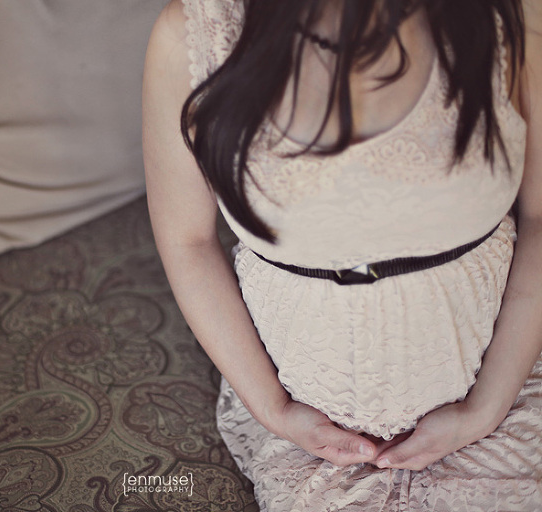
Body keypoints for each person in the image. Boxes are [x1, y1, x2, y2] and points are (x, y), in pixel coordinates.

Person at [143, 0, 542, 509]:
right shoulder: (194, 34)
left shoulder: (512, 12)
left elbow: (540, 217)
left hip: (503, 391)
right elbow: (188, 241)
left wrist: (485, 409)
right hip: (302, 428)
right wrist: (275, 410)